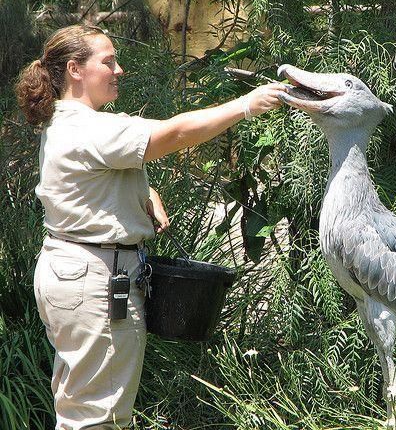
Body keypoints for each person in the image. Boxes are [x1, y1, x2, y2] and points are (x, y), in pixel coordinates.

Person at [14, 24, 285, 429]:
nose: (119, 69)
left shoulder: (70, 122)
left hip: (73, 269)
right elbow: (173, 133)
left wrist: (142, 193)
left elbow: (89, 178)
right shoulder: (88, 128)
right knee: (98, 417)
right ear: (75, 69)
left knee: (82, 408)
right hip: (95, 279)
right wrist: (246, 105)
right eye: (108, 62)